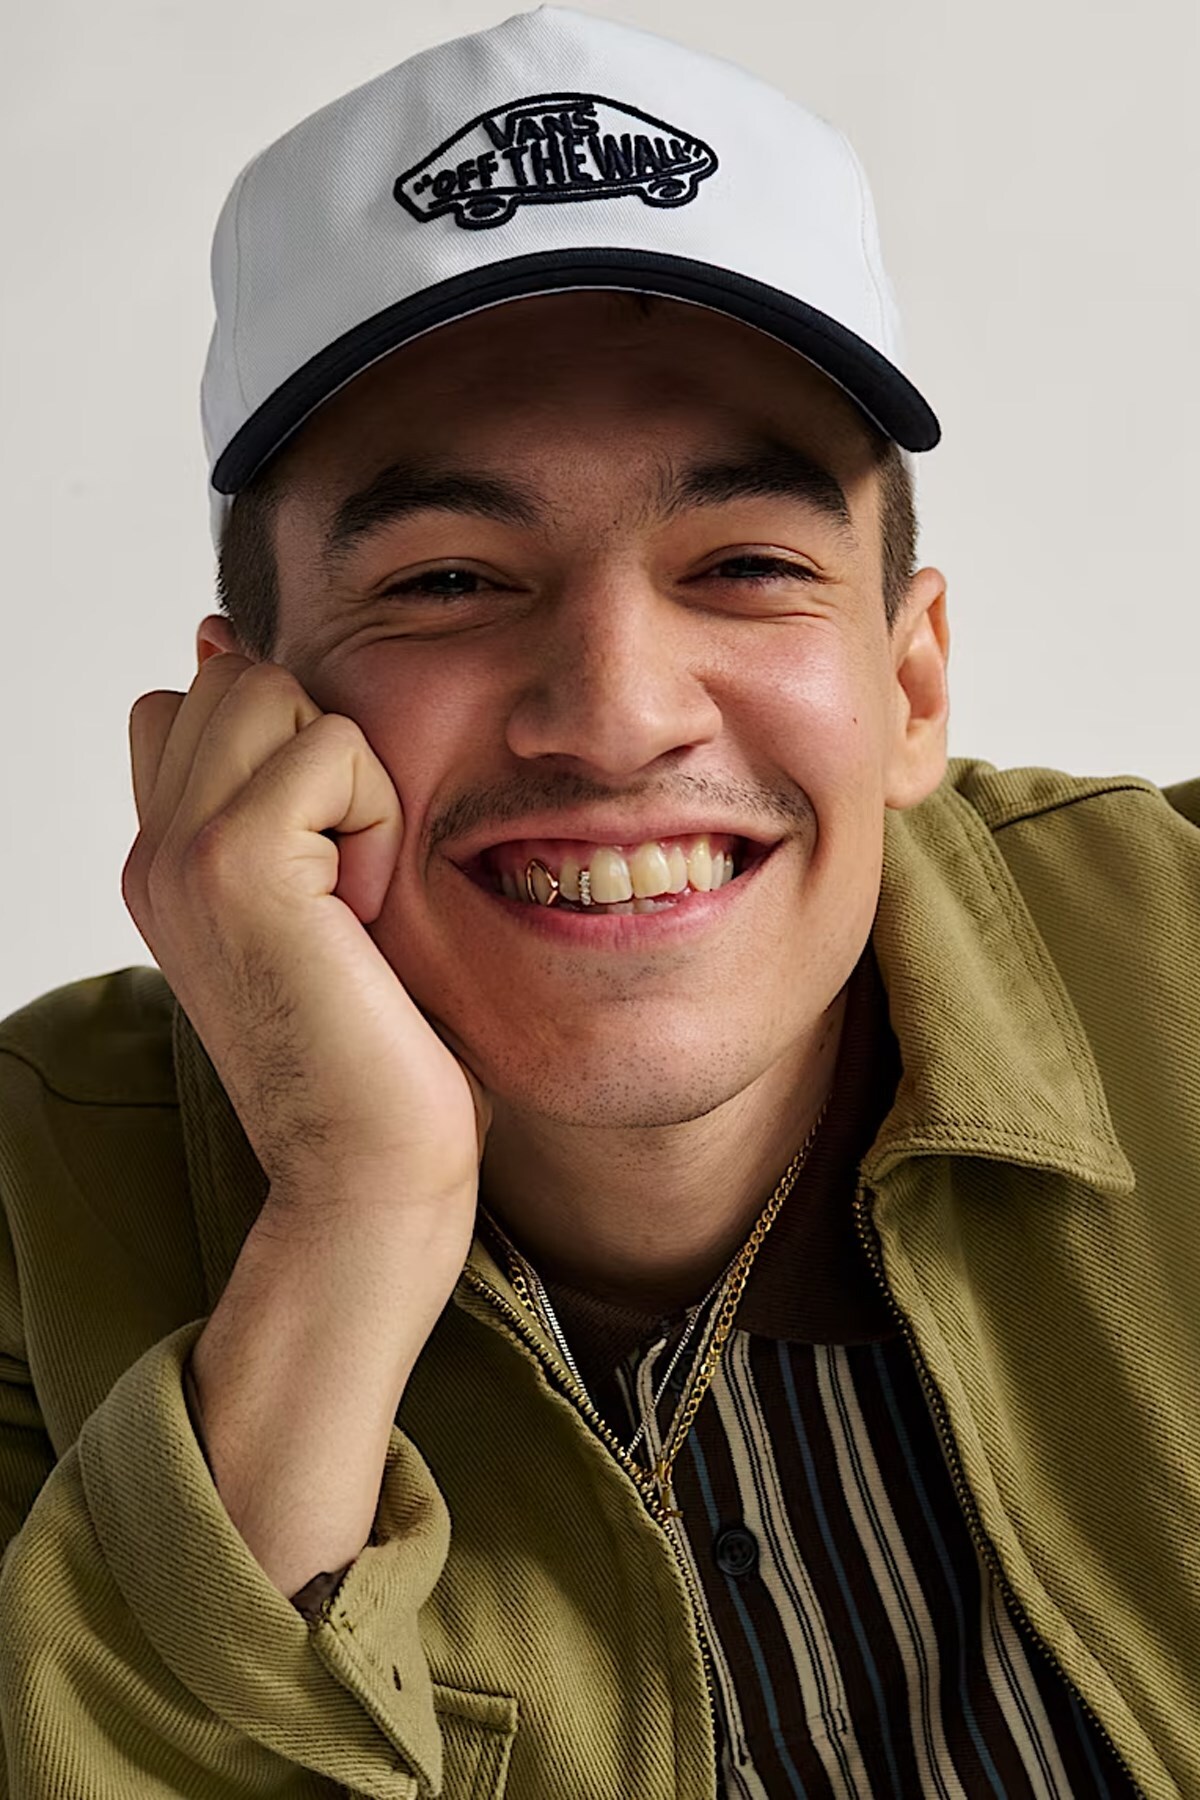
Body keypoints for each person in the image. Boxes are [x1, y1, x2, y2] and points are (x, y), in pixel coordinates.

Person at [0, 7, 1195, 1796]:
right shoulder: (27, 1210)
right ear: (245, 722)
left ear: (911, 684)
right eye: (450, 580)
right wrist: (353, 1212)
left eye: (746, 565)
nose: (619, 713)